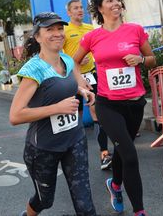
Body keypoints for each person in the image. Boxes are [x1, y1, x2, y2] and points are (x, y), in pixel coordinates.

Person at [73, 0, 156, 216]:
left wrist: (140, 59)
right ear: (100, 7)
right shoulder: (92, 36)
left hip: (135, 102)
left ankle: (115, 185)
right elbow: (74, 62)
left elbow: (152, 59)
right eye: (110, 0)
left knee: (123, 149)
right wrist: (81, 82)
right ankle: (140, 211)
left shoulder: (135, 30)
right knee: (129, 153)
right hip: (108, 103)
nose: (116, 3)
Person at [9, 12, 97, 216]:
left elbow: (70, 85)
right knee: (44, 200)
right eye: (50, 30)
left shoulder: (66, 59)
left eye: (60, 28)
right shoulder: (34, 69)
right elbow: (15, 116)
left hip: (74, 140)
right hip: (43, 148)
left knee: (85, 204)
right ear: (38, 37)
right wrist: (57, 108)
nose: (57, 33)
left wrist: (82, 91)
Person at [64, 0, 112, 170]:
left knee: (96, 110)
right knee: (74, 115)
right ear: (69, 12)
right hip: (72, 77)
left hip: (90, 75)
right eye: (75, 8)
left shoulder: (90, 29)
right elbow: (60, 56)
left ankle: (104, 153)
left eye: (81, 7)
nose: (79, 10)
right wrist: (75, 61)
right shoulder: (64, 30)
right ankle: (72, 154)